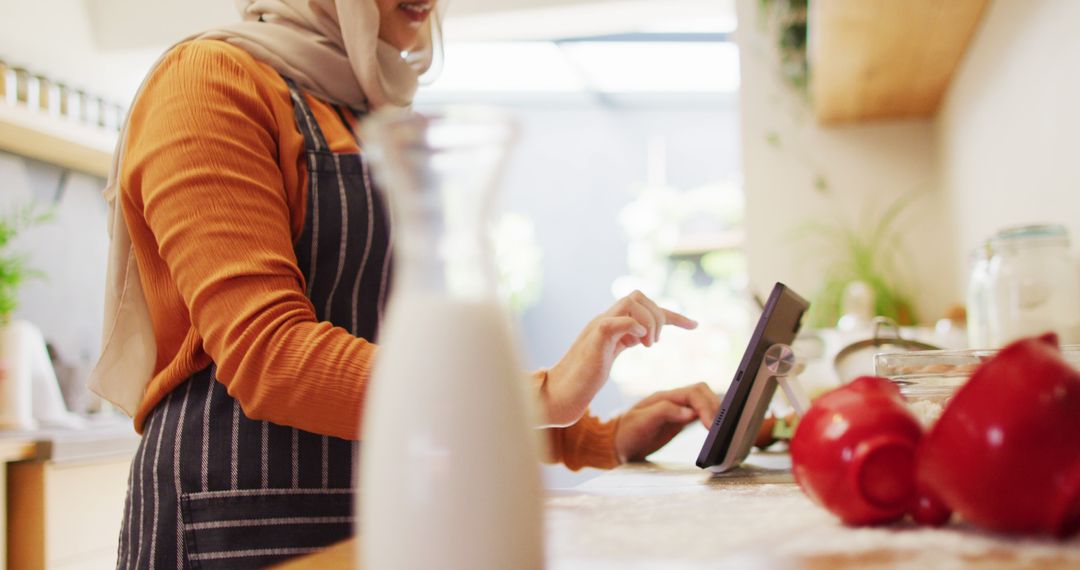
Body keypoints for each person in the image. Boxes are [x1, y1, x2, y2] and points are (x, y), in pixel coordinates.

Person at [88, 0, 720, 567]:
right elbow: (269, 356)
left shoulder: (367, 111)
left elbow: (404, 357)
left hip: (380, 513)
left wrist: (595, 437)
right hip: (236, 521)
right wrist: (538, 395)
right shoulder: (208, 81)